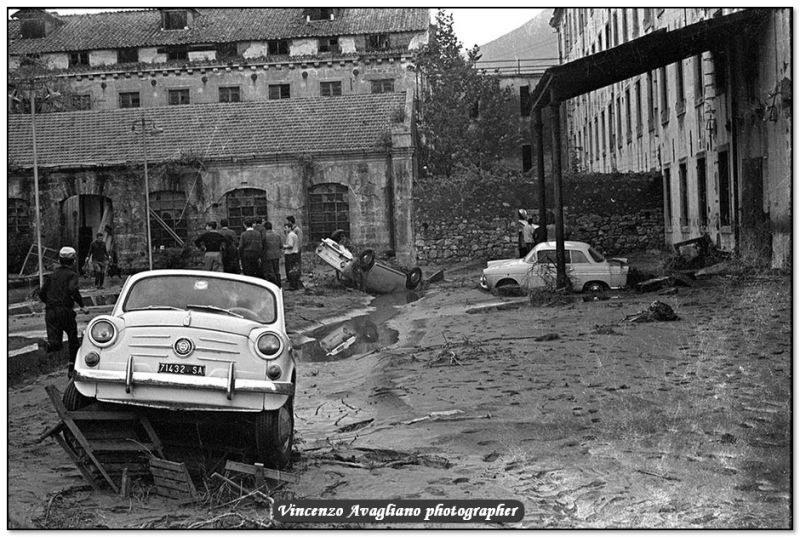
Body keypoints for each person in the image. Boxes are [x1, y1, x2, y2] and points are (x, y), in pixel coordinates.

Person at [39, 246, 88, 378]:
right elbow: (73, 290)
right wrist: (82, 305)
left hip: (50, 312)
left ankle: (47, 347)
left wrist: (49, 302)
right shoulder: (72, 275)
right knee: (73, 340)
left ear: (60, 260)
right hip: (65, 311)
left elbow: (42, 293)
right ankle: (72, 369)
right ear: (73, 261)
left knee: (56, 343)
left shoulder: (51, 275)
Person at [262, 222, 283, 288]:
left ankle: (274, 285)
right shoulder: (277, 235)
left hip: (268, 256)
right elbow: (281, 245)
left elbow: (262, 246)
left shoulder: (264, 236)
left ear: (265, 228)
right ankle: (279, 284)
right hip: (276, 255)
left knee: (270, 271)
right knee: (277, 270)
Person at [283, 223, 302, 290]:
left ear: (290, 228)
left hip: (290, 254)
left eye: (286, 227)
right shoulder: (294, 235)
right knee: (294, 269)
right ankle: (295, 284)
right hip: (295, 253)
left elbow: (290, 245)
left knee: (289, 270)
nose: (284, 229)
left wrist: (284, 246)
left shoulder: (290, 235)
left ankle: (292, 285)